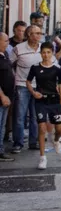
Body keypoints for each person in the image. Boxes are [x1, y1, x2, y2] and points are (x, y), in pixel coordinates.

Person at [26, 42, 61, 170]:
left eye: (48, 52)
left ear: (52, 53)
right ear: (40, 53)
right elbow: (28, 81)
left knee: (59, 129)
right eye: (43, 52)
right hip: (41, 101)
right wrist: (33, 92)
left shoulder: (57, 69)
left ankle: (56, 140)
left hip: (54, 101)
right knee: (42, 128)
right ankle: (42, 157)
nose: (46, 55)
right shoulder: (35, 68)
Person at [10, 25, 44, 153]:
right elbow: (10, 64)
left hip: (39, 87)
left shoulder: (43, 48)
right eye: (36, 33)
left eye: (40, 33)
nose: (38, 36)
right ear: (29, 35)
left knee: (36, 116)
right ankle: (18, 143)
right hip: (22, 86)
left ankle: (33, 142)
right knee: (20, 115)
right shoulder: (18, 49)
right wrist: (14, 78)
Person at [0, 33, 14, 161]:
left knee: (2, 125)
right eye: (5, 41)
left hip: (7, 97)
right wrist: (2, 96)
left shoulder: (5, 55)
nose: (7, 43)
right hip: (1, 98)